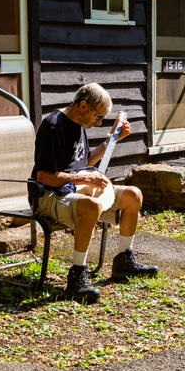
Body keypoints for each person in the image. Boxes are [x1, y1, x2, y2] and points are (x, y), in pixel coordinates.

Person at [31, 83, 159, 303]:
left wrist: (112, 139)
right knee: (92, 205)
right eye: (98, 117)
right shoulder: (53, 126)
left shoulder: (79, 123)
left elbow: (84, 162)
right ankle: (77, 274)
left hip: (74, 189)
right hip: (48, 195)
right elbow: (44, 176)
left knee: (133, 194)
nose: (98, 122)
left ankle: (123, 261)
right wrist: (84, 178)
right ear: (82, 106)